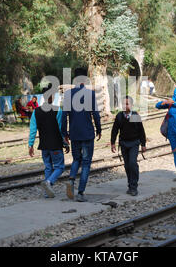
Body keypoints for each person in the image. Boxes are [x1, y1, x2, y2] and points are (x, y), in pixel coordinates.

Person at [62, 67, 102, 202]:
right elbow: (95, 115)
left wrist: (64, 133)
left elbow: (63, 116)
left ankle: (71, 180)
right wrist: (99, 129)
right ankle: (80, 193)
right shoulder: (90, 94)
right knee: (86, 163)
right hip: (87, 134)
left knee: (76, 159)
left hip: (74, 134)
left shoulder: (68, 94)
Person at [29, 84, 69, 198]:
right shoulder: (58, 110)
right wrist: (65, 142)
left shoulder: (36, 112)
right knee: (59, 167)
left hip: (44, 146)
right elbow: (61, 129)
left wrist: (30, 145)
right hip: (55, 144)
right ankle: (49, 183)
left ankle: (47, 193)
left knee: (48, 167)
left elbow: (33, 129)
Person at [111, 96, 146, 196]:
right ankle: (130, 185)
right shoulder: (119, 116)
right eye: (123, 104)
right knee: (127, 165)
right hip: (124, 143)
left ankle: (134, 186)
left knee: (132, 163)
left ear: (132, 105)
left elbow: (141, 131)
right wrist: (113, 143)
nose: (125, 106)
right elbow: (114, 131)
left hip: (134, 143)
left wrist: (143, 144)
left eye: (127, 104)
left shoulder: (135, 116)